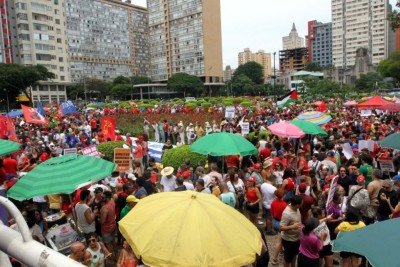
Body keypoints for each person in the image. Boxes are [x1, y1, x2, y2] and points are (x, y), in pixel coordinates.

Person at [280, 195, 303, 267]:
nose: (302, 205)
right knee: (287, 259)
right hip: (289, 240)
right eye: (301, 204)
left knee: (294, 256)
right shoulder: (287, 213)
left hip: (296, 238)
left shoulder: (296, 208)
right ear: (297, 205)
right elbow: (281, 228)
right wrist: (292, 226)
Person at [100, 191, 116, 258]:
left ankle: (112, 258)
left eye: (103, 197)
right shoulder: (112, 201)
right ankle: (116, 255)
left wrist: (99, 219)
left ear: (107, 197)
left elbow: (102, 221)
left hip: (106, 229)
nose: (102, 198)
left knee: (108, 244)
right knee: (113, 242)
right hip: (113, 225)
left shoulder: (104, 208)